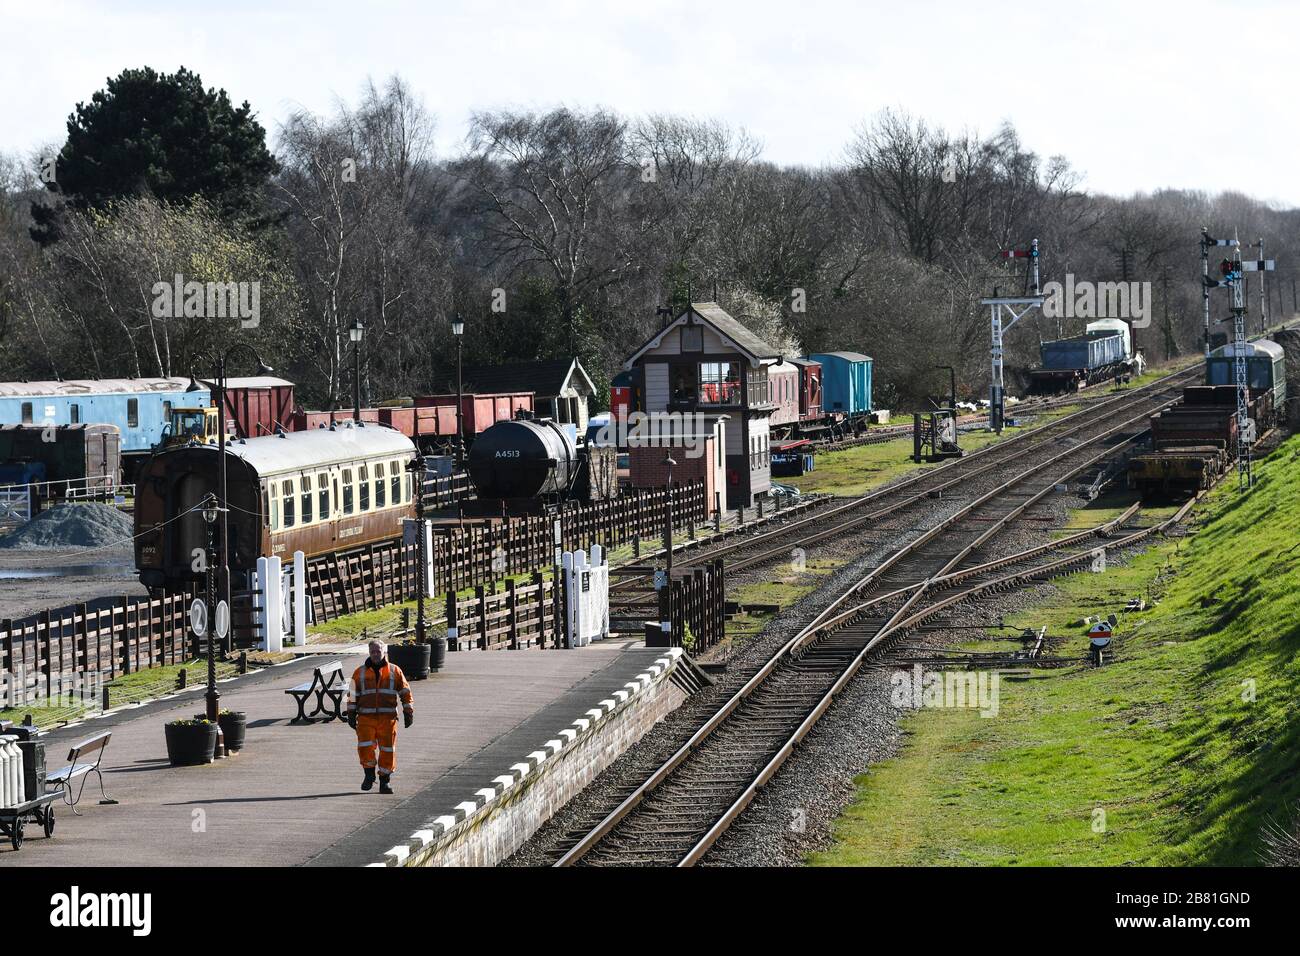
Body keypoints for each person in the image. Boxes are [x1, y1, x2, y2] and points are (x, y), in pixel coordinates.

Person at [346, 639, 414, 794]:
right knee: (365, 748)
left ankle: (385, 781)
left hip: (387, 718)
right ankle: (369, 775)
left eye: (378, 651)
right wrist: (350, 713)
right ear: (369, 653)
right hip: (365, 718)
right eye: (372, 652)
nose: (375, 654)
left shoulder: (395, 671)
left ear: (384, 652)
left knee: (387, 750)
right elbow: (352, 694)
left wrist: (408, 712)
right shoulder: (359, 672)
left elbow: (405, 692)